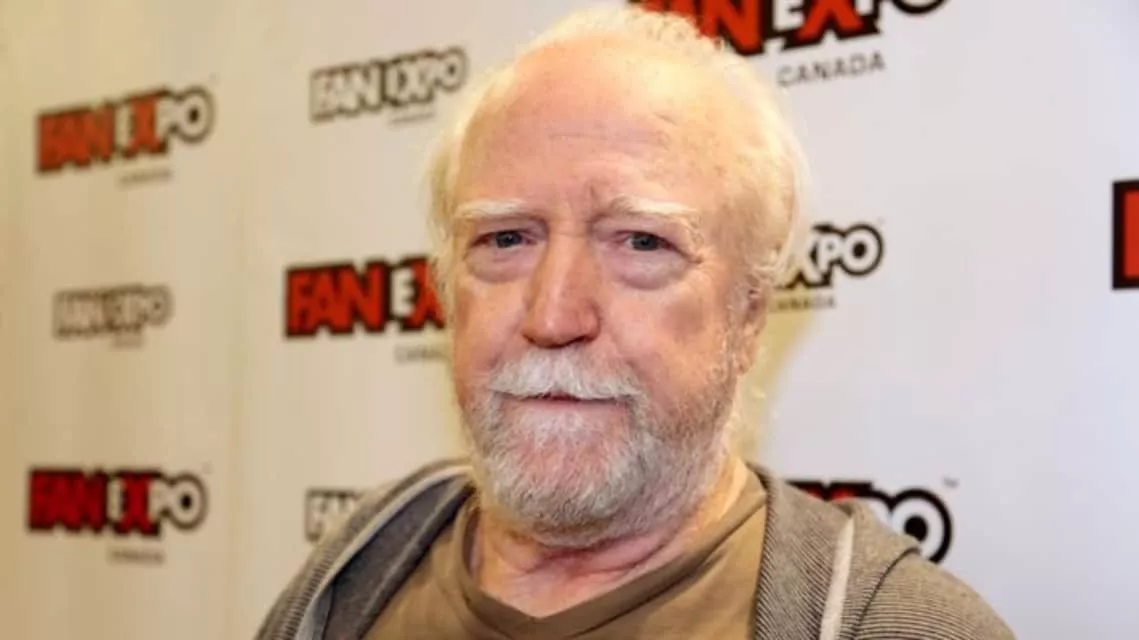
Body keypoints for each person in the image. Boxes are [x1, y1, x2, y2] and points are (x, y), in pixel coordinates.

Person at [257, 5, 1014, 639]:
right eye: (506, 239)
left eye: (641, 243)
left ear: (750, 311)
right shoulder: (352, 574)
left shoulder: (900, 626)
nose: (554, 315)